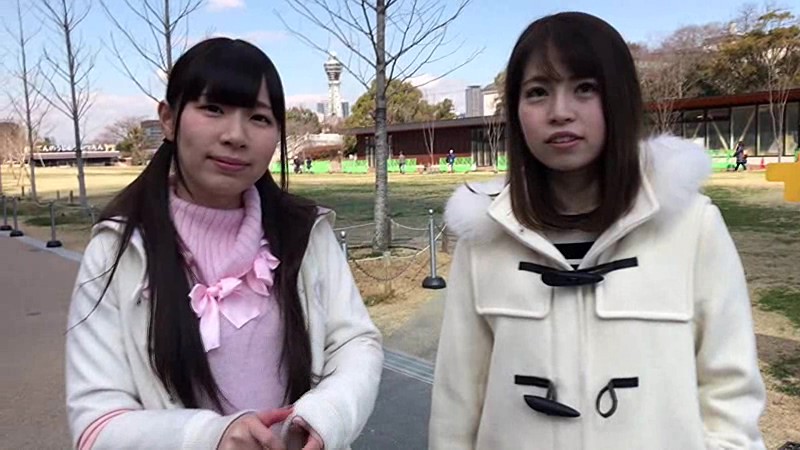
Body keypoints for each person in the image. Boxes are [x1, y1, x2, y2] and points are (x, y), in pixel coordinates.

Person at [429, 12, 765, 450]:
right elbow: (457, 399)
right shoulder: (486, 236)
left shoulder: (692, 226)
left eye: (585, 88)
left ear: (620, 98)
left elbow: (731, 396)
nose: (560, 112)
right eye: (537, 92)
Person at [65, 37, 383, 450]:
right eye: (213, 109)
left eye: (259, 118)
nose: (236, 135)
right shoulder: (117, 251)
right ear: (168, 119)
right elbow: (96, 423)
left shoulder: (305, 234)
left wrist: (328, 415)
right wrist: (208, 437)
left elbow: (355, 343)